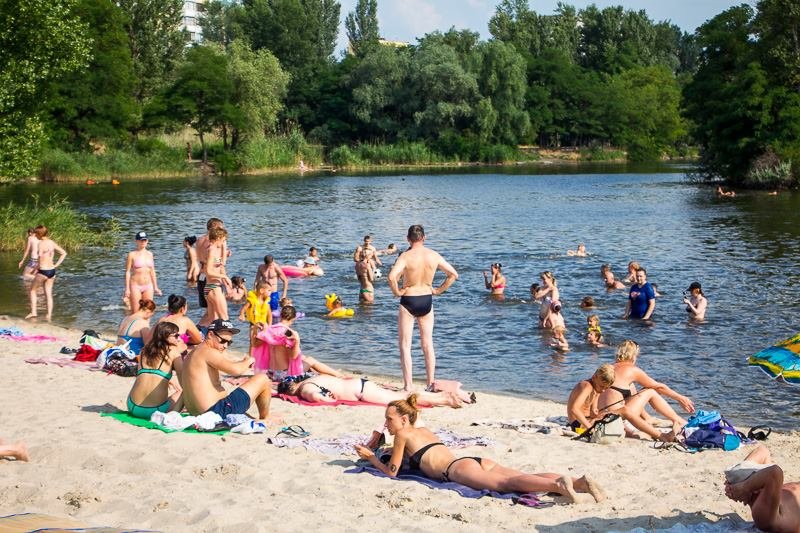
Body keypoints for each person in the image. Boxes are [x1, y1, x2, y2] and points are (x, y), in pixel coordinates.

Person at [353, 395, 606, 504]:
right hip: (473, 460)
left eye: (389, 419)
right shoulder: (422, 430)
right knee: (518, 474)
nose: (387, 423)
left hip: (457, 471)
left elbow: (392, 473)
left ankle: (559, 486)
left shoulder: (403, 435)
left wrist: (370, 457)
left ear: (404, 420)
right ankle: (580, 482)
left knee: (509, 484)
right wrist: (379, 444)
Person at [387, 225, 458, 392]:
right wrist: (439, 290)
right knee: (428, 344)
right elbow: (453, 274)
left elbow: (391, 277)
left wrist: (397, 292)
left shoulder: (405, 256)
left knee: (405, 345)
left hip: (409, 299)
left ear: (407, 239)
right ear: (424, 238)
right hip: (427, 298)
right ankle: (430, 383)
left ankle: (408, 385)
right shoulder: (433, 255)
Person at [597, 340, 695, 442]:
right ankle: (680, 421)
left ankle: (647, 418)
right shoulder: (631, 369)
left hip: (604, 415)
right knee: (650, 391)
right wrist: (680, 398)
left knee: (633, 388)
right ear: (634, 356)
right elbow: (659, 387)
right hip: (616, 417)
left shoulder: (609, 368)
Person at [180, 319, 273, 420]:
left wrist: (243, 362)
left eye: (229, 342)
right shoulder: (208, 351)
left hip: (198, 414)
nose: (225, 346)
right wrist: (249, 360)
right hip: (216, 412)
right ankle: (265, 418)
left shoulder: (194, 353)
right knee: (263, 379)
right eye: (223, 341)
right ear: (210, 335)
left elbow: (229, 364)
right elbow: (236, 370)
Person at [724, 444, 800, 533]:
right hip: (776, 510)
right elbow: (773, 470)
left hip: (774, 506)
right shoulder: (766, 515)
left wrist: (743, 487)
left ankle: (738, 483)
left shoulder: (763, 513)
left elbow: (771, 467)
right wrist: (743, 487)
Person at [255, 305, 341, 378]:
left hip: (270, 373)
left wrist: (258, 329)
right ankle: (338, 375)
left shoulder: (269, 330)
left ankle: (330, 372)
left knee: (304, 358)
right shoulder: (288, 333)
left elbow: (255, 345)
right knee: (310, 360)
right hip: (283, 375)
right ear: (294, 318)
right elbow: (294, 356)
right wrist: (297, 340)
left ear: (280, 316)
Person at [280, 376, 466, 407]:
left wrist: (330, 402)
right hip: (360, 384)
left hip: (361, 391)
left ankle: (445, 399)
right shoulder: (310, 379)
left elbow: (315, 397)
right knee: (400, 396)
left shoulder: (305, 388)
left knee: (402, 399)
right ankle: (442, 396)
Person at [126, 322, 185, 419]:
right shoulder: (174, 352)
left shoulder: (144, 350)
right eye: (176, 336)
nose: (179, 339)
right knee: (183, 392)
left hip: (132, 406)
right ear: (166, 336)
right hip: (155, 411)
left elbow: (148, 374)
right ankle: (173, 416)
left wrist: (168, 379)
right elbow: (184, 382)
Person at [25, 226, 66, 321]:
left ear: (39, 234)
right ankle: (49, 315)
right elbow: (64, 253)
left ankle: (34, 312)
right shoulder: (52, 242)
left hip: (43, 271)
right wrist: (56, 265)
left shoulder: (41, 244)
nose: (35, 236)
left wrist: (35, 270)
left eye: (36, 234)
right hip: (52, 271)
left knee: (32, 290)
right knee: (48, 294)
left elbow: (40, 260)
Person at [567, 364, 616, 432]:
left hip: (586, 420)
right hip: (577, 423)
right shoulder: (587, 386)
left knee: (612, 416)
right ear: (594, 377)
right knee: (621, 412)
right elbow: (574, 409)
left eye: (607, 388)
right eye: (602, 386)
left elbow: (593, 411)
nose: (603, 390)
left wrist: (595, 411)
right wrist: (590, 428)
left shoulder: (596, 388)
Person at [124, 231, 161, 313]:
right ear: (136, 241)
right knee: (136, 312)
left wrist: (156, 287)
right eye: (141, 240)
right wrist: (127, 289)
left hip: (148, 286)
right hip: (135, 285)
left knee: (148, 311)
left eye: (145, 240)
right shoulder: (132, 254)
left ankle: (146, 326)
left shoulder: (150, 254)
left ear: (147, 241)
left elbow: (152, 271)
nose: (143, 242)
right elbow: (127, 272)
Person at [204, 226, 231, 323]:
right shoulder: (212, 250)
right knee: (225, 319)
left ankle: (205, 338)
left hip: (210, 287)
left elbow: (216, 267)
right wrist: (224, 277)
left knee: (212, 321)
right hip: (214, 287)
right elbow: (208, 271)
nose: (224, 242)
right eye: (223, 240)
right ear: (218, 238)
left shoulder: (211, 249)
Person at [239, 281, 272, 356]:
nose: (271, 292)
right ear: (261, 291)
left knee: (264, 342)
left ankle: (261, 357)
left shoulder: (266, 302)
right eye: (269, 290)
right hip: (253, 325)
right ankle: (250, 358)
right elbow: (243, 309)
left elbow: (269, 315)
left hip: (264, 326)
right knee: (252, 342)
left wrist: (269, 326)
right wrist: (242, 315)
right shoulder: (252, 301)